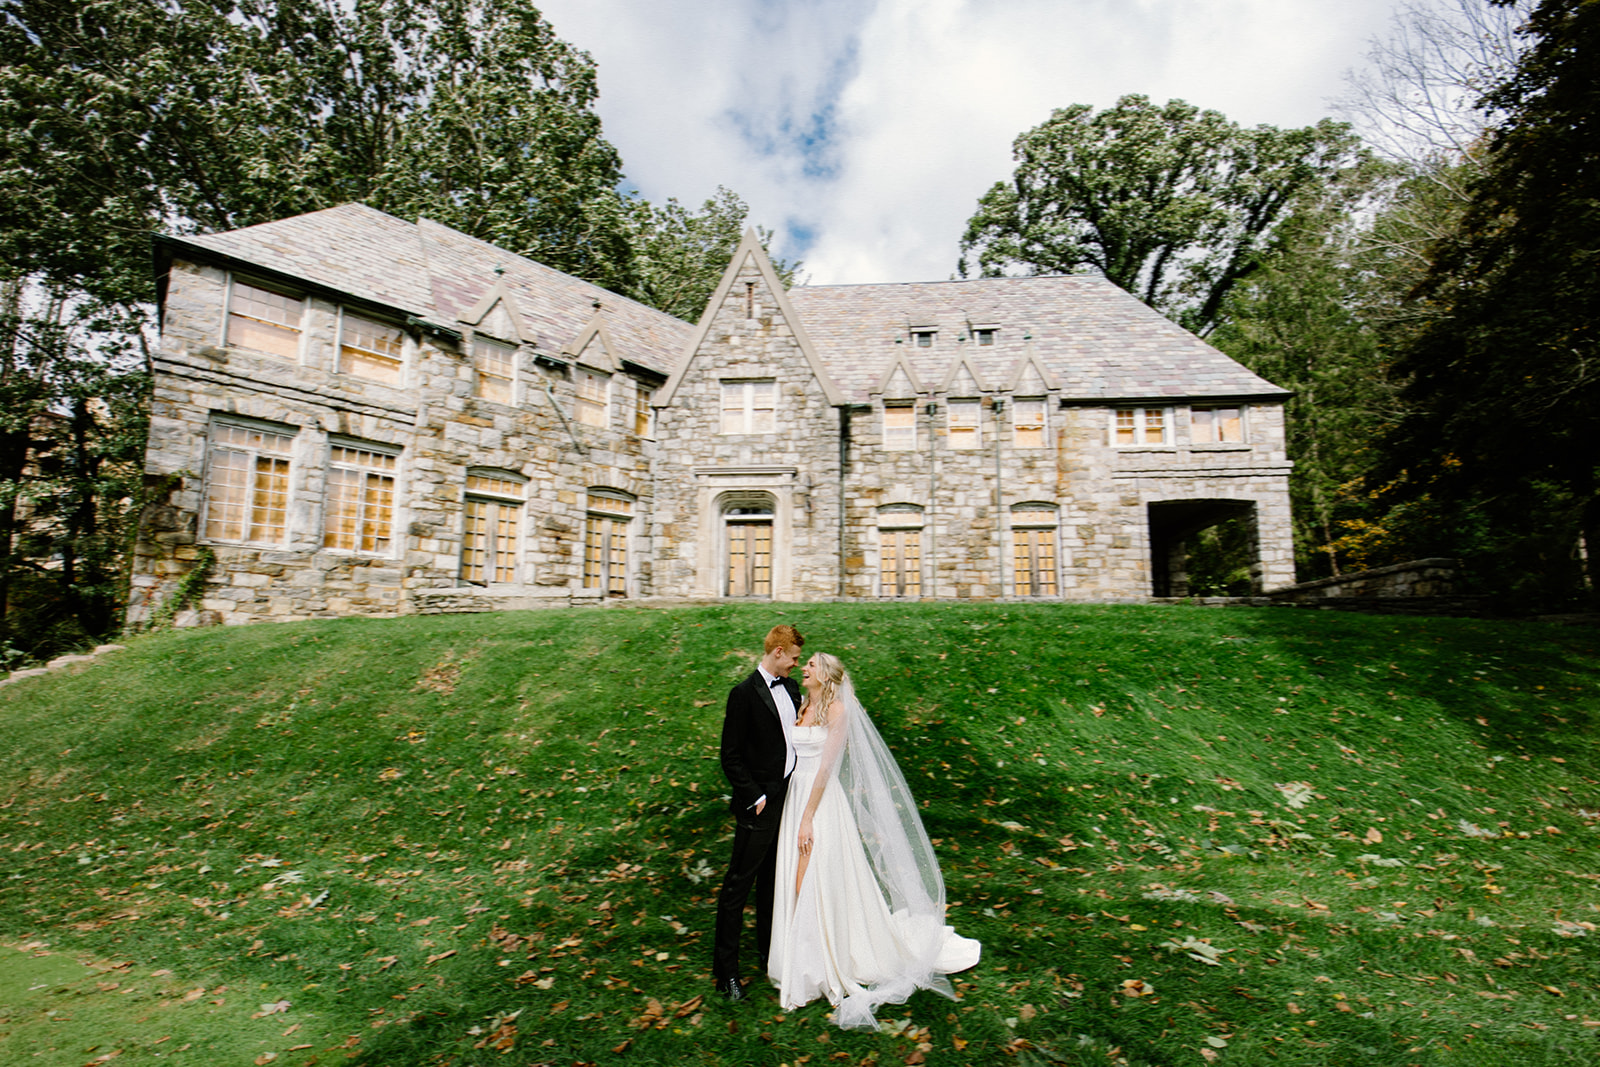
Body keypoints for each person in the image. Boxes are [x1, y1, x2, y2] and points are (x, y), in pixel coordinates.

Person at [768, 652, 980, 1029]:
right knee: (796, 880)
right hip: (794, 801)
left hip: (818, 807)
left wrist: (807, 819)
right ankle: (799, 959)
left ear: (828, 676)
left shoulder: (836, 713)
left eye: (811, 665)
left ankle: (821, 964)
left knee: (811, 879)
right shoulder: (801, 705)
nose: (804, 668)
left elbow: (825, 771)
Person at [712, 623, 804, 1002]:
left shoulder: (794, 689)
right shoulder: (743, 695)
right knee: (739, 885)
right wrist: (755, 797)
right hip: (760, 805)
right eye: (794, 658)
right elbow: (730, 756)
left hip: (790, 800)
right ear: (778, 652)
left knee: (772, 884)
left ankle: (770, 955)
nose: (797, 666)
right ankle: (726, 973)